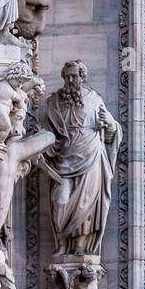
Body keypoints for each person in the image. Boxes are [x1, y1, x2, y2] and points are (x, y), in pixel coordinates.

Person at [39, 60, 122, 256]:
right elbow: (47, 128)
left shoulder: (95, 99)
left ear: (83, 77)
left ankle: (79, 246)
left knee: (86, 205)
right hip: (63, 158)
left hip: (91, 156)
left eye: (75, 76)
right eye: (67, 76)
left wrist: (110, 125)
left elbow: (111, 131)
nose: (70, 80)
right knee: (60, 201)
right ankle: (61, 243)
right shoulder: (54, 102)